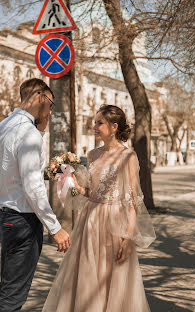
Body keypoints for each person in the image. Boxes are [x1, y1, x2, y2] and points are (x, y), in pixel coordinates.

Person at [43, 105, 156, 312]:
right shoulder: (93, 154)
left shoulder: (128, 157)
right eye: (94, 122)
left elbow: (132, 201)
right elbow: (91, 191)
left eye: (99, 123)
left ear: (114, 127)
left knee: (112, 275)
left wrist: (129, 238)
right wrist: (75, 186)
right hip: (90, 220)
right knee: (87, 274)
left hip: (114, 222)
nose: (94, 126)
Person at [0, 78, 70, 311]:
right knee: (13, 295)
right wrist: (55, 227)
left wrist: (40, 131)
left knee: (7, 285)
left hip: (5, 217)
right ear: (40, 97)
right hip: (23, 221)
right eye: (50, 104)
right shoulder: (27, 133)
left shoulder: (4, 126)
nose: (50, 110)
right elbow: (32, 186)